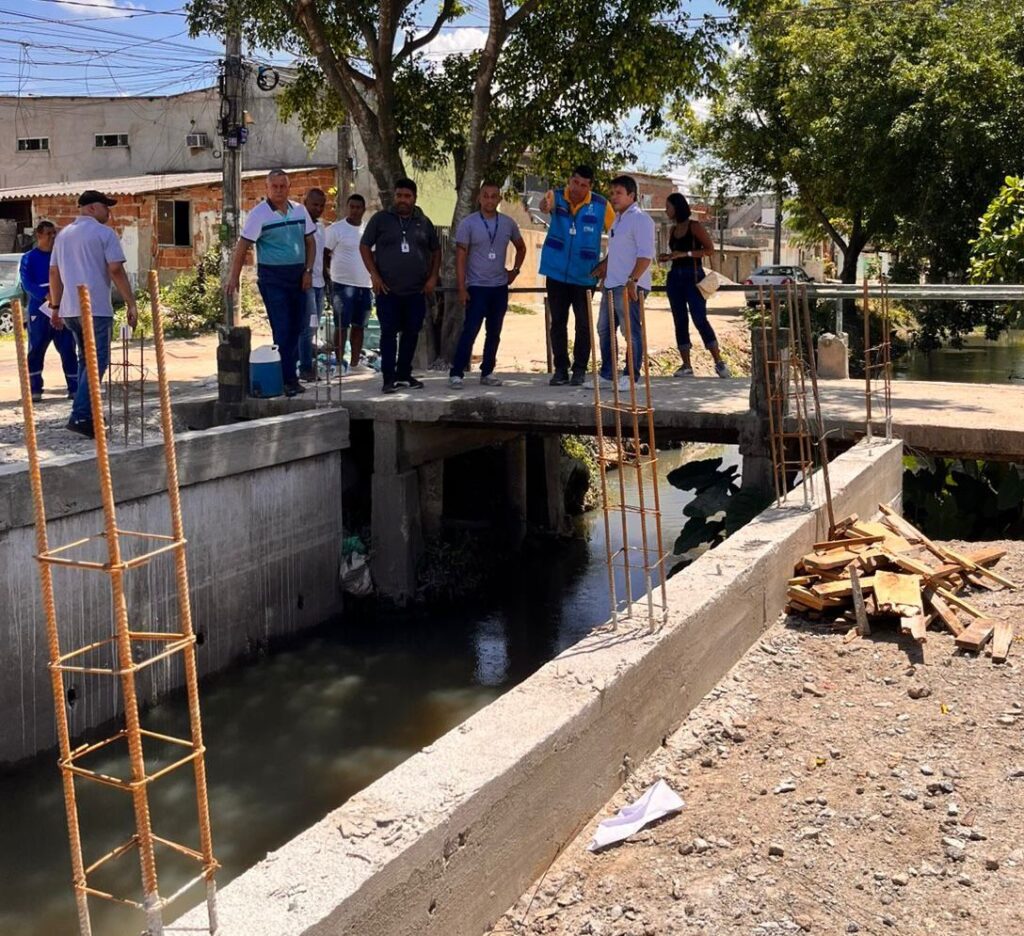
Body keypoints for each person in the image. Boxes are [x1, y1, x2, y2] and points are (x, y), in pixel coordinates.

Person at [49, 191, 138, 438]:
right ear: (90, 208)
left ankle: (90, 412)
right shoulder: (104, 234)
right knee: (96, 361)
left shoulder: (63, 235)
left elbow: (54, 273)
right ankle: (81, 416)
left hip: (69, 309)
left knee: (84, 361)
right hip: (95, 309)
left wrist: (56, 307)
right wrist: (131, 303)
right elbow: (115, 269)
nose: (109, 212)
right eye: (105, 207)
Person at [227, 169, 317, 397]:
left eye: (282, 186)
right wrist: (233, 276)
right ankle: (288, 379)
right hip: (273, 278)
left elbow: (310, 242)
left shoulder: (299, 211)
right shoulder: (258, 215)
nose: (278, 190)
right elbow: (242, 247)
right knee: (283, 327)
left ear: (289, 187)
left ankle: (290, 375)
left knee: (299, 327)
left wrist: (308, 271)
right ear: (267, 189)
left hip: (298, 275)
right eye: (274, 186)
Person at [359, 178, 440, 394]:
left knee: (412, 333)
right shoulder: (381, 220)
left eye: (407, 196)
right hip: (387, 290)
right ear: (394, 197)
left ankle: (404, 374)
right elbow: (365, 246)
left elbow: (436, 250)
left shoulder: (423, 222)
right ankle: (388, 379)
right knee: (388, 333)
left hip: (416, 290)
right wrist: (374, 275)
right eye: (399, 196)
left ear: (414, 198)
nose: (402, 200)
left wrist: (432, 278)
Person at [538, 164, 615, 386]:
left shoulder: (601, 205)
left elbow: (618, 235)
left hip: (584, 275)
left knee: (583, 324)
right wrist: (545, 205)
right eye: (575, 182)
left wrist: (607, 263)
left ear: (590, 186)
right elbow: (545, 205)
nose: (578, 188)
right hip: (556, 273)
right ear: (570, 180)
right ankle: (560, 369)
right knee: (558, 323)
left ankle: (580, 369)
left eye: (584, 185)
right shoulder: (556, 196)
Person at [449, 182, 527, 389]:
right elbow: (460, 257)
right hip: (476, 286)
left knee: (494, 332)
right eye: (486, 196)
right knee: (470, 330)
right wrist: (461, 287)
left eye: (494, 196)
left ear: (499, 199)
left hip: (499, 287)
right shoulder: (468, 224)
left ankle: (487, 371)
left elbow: (521, 247)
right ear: (479, 199)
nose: (490, 200)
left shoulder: (508, 223)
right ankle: (456, 373)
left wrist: (515, 271)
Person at [593, 175, 655, 390]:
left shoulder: (641, 219)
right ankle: (608, 374)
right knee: (604, 329)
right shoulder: (617, 220)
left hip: (630, 285)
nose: (614, 197)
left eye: (618, 193)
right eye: (612, 193)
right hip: (612, 283)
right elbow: (616, 252)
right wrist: (604, 270)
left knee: (630, 332)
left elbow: (646, 255)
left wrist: (633, 280)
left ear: (631, 195)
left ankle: (631, 376)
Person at [659, 193, 731, 378]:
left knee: (699, 318)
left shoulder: (694, 226)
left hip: (693, 277)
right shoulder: (673, 229)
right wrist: (669, 257)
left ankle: (718, 362)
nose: (666, 210)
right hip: (675, 277)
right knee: (679, 320)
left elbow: (709, 249)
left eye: (668, 207)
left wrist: (685, 254)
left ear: (677, 207)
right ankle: (686, 364)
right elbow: (676, 253)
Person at [21, 219, 78, 404]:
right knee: (36, 349)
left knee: (68, 348)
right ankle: (35, 389)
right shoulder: (29, 258)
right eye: (48, 234)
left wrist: (60, 299)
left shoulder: (61, 255)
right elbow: (27, 283)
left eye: (55, 234)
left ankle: (74, 387)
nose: (52, 237)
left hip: (62, 309)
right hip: (39, 310)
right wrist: (46, 296)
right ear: (39, 236)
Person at [324, 193, 373, 374]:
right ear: (347, 207)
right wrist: (331, 275)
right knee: (341, 326)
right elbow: (325, 255)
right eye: (351, 207)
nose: (354, 210)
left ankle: (354, 365)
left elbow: (372, 256)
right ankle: (338, 365)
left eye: (358, 207)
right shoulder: (336, 230)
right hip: (342, 286)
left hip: (365, 286)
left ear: (363, 209)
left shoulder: (368, 231)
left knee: (359, 326)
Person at [297, 187, 327, 381]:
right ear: (305, 202)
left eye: (322, 205)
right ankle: (306, 368)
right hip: (306, 283)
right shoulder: (298, 225)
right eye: (314, 204)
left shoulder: (321, 227)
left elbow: (322, 256)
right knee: (307, 327)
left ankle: (307, 363)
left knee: (315, 326)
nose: (318, 208)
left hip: (320, 283)